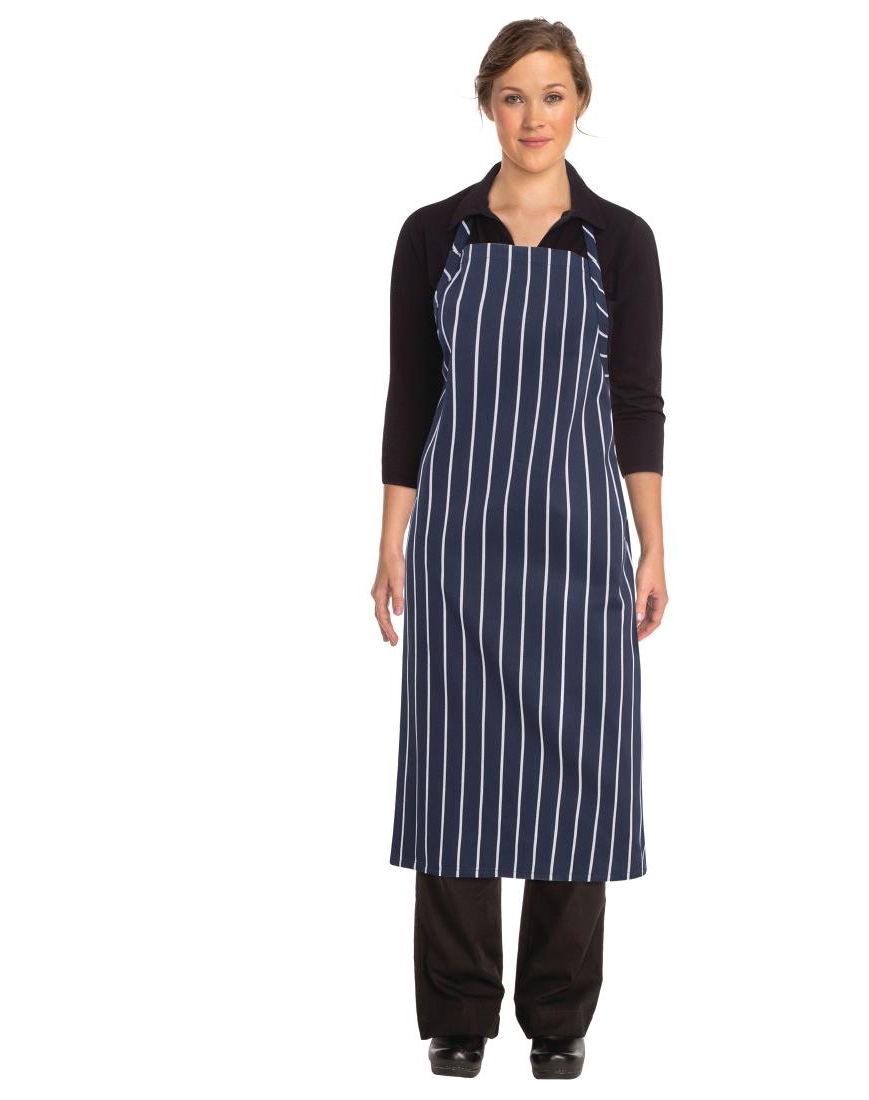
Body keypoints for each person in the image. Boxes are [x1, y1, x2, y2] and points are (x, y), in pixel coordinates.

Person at [372, 18, 668, 1080]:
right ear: (486, 106)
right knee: (456, 773)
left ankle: (557, 1017)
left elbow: (636, 400)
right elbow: (413, 394)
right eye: (513, 97)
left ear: (579, 103)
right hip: (460, 543)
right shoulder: (434, 234)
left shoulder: (618, 240)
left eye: (551, 96)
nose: (533, 118)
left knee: (577, 779)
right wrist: (392, 541)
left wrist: (651, 546)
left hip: (580, 541)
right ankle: (457, 1015)